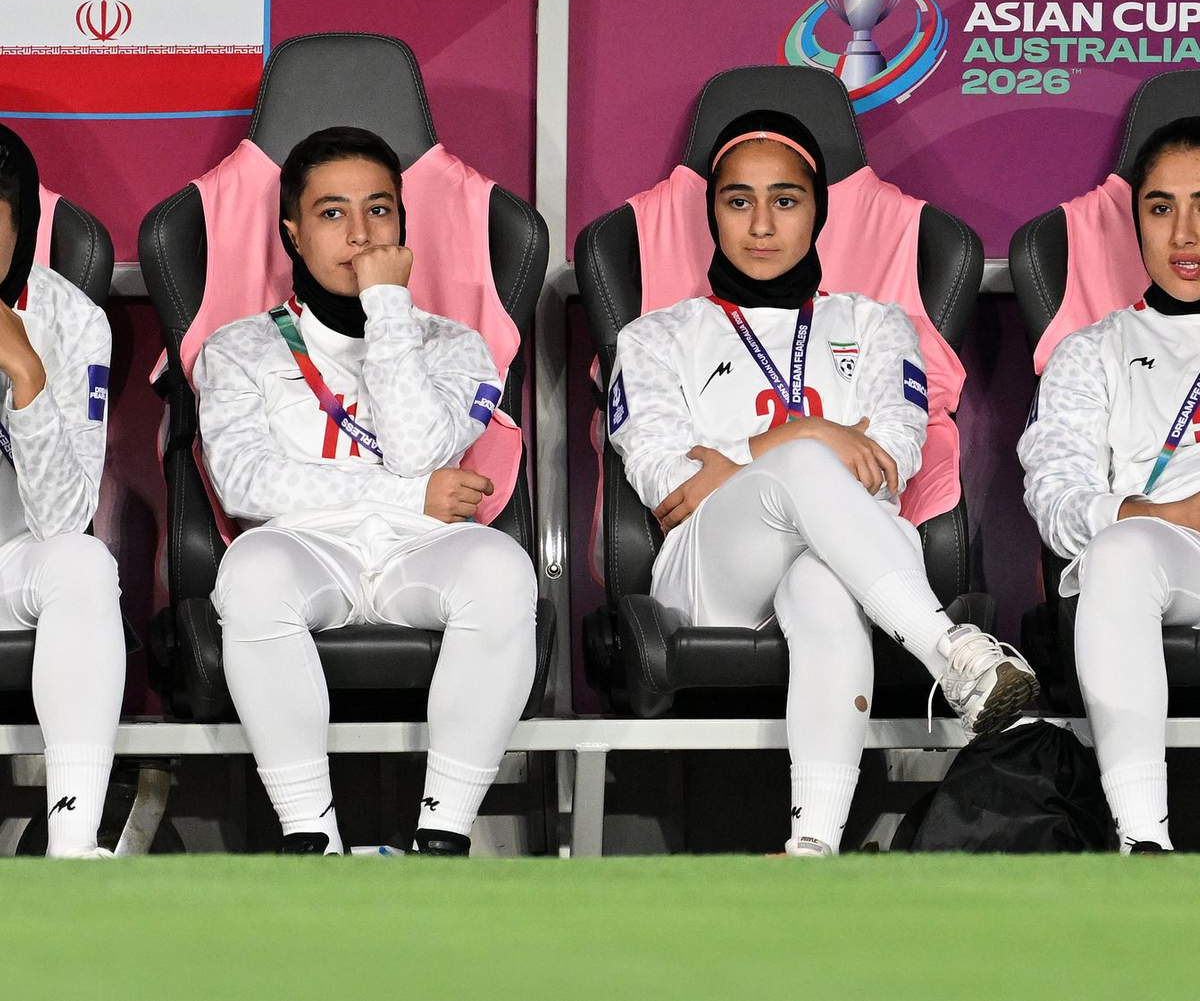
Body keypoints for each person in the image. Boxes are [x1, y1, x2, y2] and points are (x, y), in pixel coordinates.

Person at [608, 109, 1038, 856]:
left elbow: (895, 453)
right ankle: (952, 651)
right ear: (712, 212)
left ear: (819, 210)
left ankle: (812, 845)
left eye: (786, 198)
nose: (762, 223)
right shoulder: (653, 336)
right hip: (711, 568)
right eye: (738, 200)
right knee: (806, 466)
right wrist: (807, 434)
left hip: (850, 560)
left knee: (822, 580)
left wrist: (732, 459)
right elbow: (667, 480)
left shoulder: (877, 323)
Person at [194, 126, 536, 856]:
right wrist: (408, 497)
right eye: (331, 213)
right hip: (308, 551)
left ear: (404, 226)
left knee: (502, 569)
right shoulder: (238, 348)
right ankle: (311, 838)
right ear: (292, 230)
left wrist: (388, 304)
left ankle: (442, 835)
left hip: (421, 555)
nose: (358, 233)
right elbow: (248, 482)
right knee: (252, 570)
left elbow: (415, 445)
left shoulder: (459, 347)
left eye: (379, 211)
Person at [1019, 116, 1200, 855]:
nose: (1185, 232)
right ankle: (1142, 840)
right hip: (1162, 557)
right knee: (1120, 550)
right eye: (1162, 207)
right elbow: (1056, 498)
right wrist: (1159, 513)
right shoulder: (1091, 350)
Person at [0, 125, 124, 858]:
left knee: (84, 563)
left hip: (14, 560)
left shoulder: (75, 320)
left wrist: (27, 376)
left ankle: (73, 843)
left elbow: (63, 518)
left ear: (22, 230)